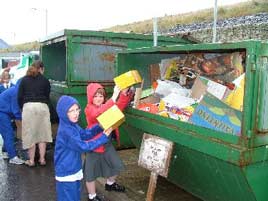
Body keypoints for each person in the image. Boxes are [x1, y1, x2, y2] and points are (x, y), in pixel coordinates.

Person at [54, 95, 113, 201]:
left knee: (75, 197)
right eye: (71, 111)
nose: (76, 113)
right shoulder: (66, 131)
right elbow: (83, 146)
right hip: (67, 172)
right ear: (63, 113)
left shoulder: (72, 125)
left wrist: (100, 126)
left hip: (73, 168)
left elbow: (85, 134)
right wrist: (103, 137)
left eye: (77, 109)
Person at [84, 83, 134, 201]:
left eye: (101, 96)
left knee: (117, 165)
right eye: (95, 96)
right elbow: (98, 113)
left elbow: (119, 106)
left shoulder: (106, 106)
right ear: (90, 97)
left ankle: (110, 184)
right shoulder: (89, 109)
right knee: (90, 174)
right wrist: (114, 96)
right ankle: (92, 196)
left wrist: (124, 93)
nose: (98, 98)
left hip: (106, 144)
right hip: (94, 146)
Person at [18, 60, 52, 167]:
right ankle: (42, 159)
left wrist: (23, 107)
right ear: (41, 68)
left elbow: (19, 96)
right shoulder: (45, 80)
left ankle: (31, 161)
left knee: (30, 135)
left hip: (28, 107)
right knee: (43, 134)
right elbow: (47, 96)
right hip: (42, 107)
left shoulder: (24, 80)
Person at [0, 80, 25, 164]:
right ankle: (13, 157)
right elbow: (15, 109)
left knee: (6, 133)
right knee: (9, 134)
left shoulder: (14, 89)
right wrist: (22, 118)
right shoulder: (16, 92)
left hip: (3, 112)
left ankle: (6, 152)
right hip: (2, 112)